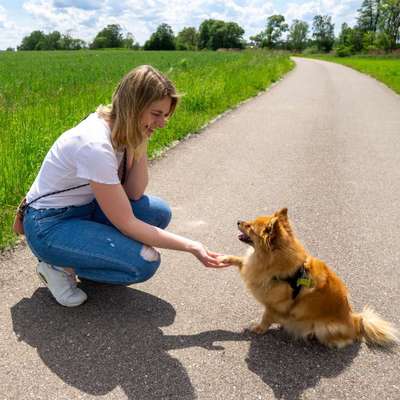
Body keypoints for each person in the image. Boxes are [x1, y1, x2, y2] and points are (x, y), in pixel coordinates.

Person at [23, 64, 229, 307]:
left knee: (158, 212)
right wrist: (192, 246)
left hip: (84, 210)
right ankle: (57, 264)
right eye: (156, 113)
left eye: (165, 115)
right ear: (134, 107)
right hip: (49, 225)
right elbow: (127, 223)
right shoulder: (95, 145)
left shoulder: (119, 129)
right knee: (145, 263)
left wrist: (140, 141)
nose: (162, 123)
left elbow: (134, 192)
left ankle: (85, 254)